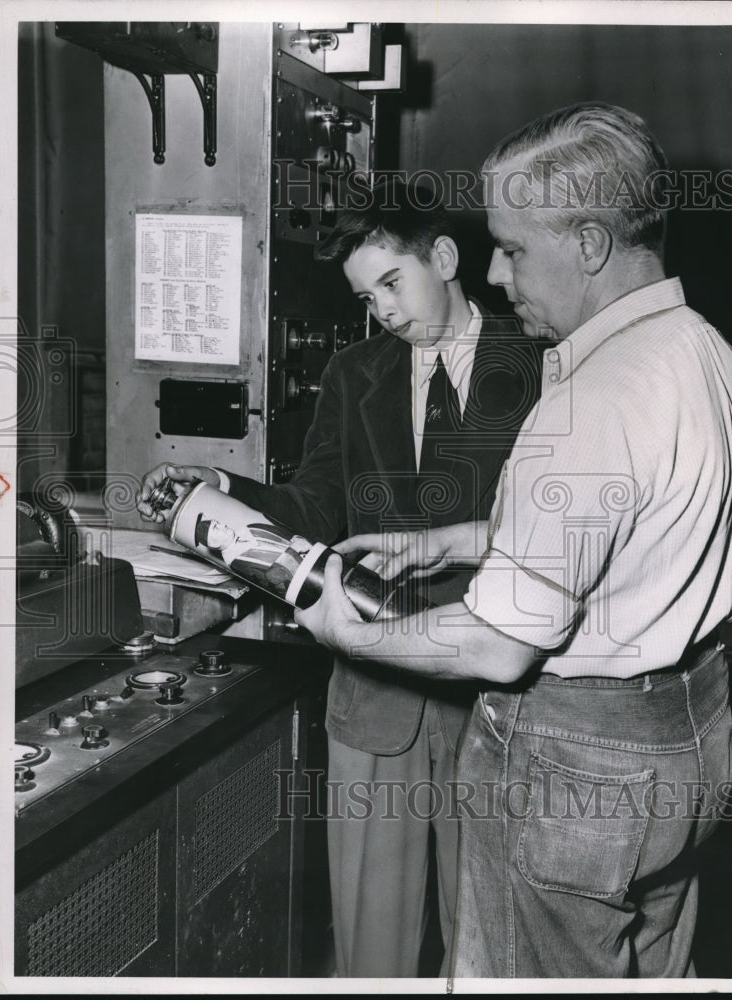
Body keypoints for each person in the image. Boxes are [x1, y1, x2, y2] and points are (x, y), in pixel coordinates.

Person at [295, 104, 732, 978]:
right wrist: (457, 541)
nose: (498, 271)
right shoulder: (705, 352)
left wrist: (355, 634)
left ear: (587, 242)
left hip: (576, 764)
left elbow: (500, 645)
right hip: (683, 740)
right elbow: (625, 516)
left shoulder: (582, 396)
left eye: (513, 247)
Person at [136, 180, 543, 977]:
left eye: (392, 284)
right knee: (369, 941)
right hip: (372, 685)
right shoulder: (355, 373)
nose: (383, 311)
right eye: (366, 297)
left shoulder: (540, 362)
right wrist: (222, 496)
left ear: (446, 258)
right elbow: (317, 503)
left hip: (495, 689)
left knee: (489, 940)